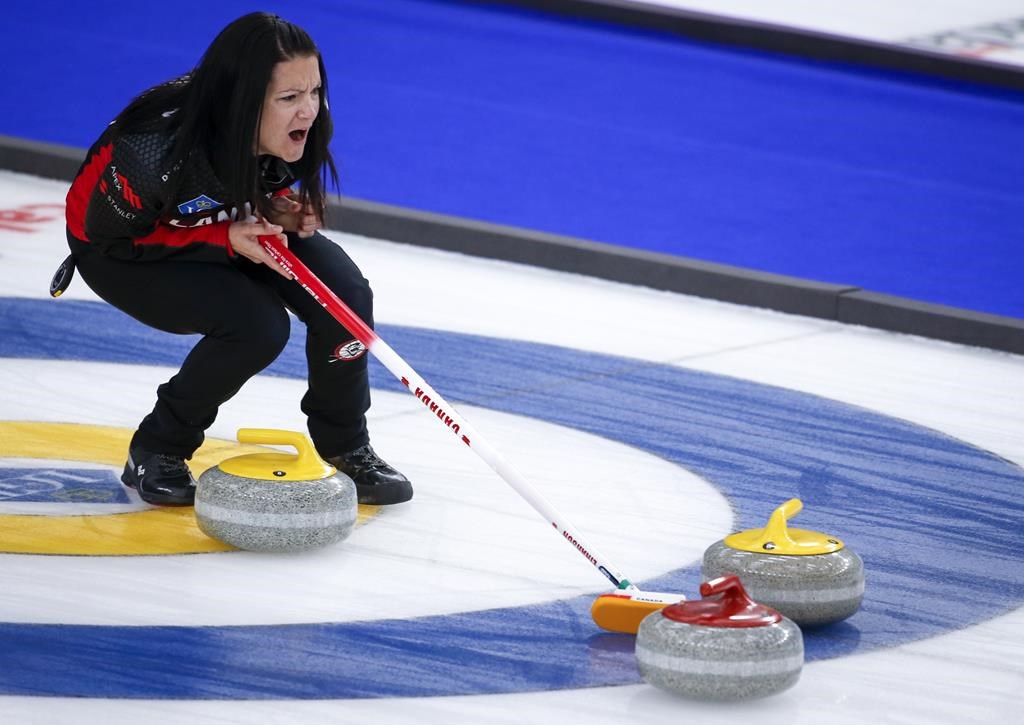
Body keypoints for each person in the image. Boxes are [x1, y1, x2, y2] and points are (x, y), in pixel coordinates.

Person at [61, 12, 412, 507]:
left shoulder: (305, 125)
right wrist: (223, 237)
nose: (308, 111)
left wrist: (279, 209)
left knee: (344, 298)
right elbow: (115, 239)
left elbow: (252, 183)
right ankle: (157, 448)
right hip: (120, 249)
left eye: (314, 92)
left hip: (226, 223)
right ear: (241, 102)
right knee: (257, 326)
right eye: (289, 98)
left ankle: (345, 445)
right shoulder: (152, 153)